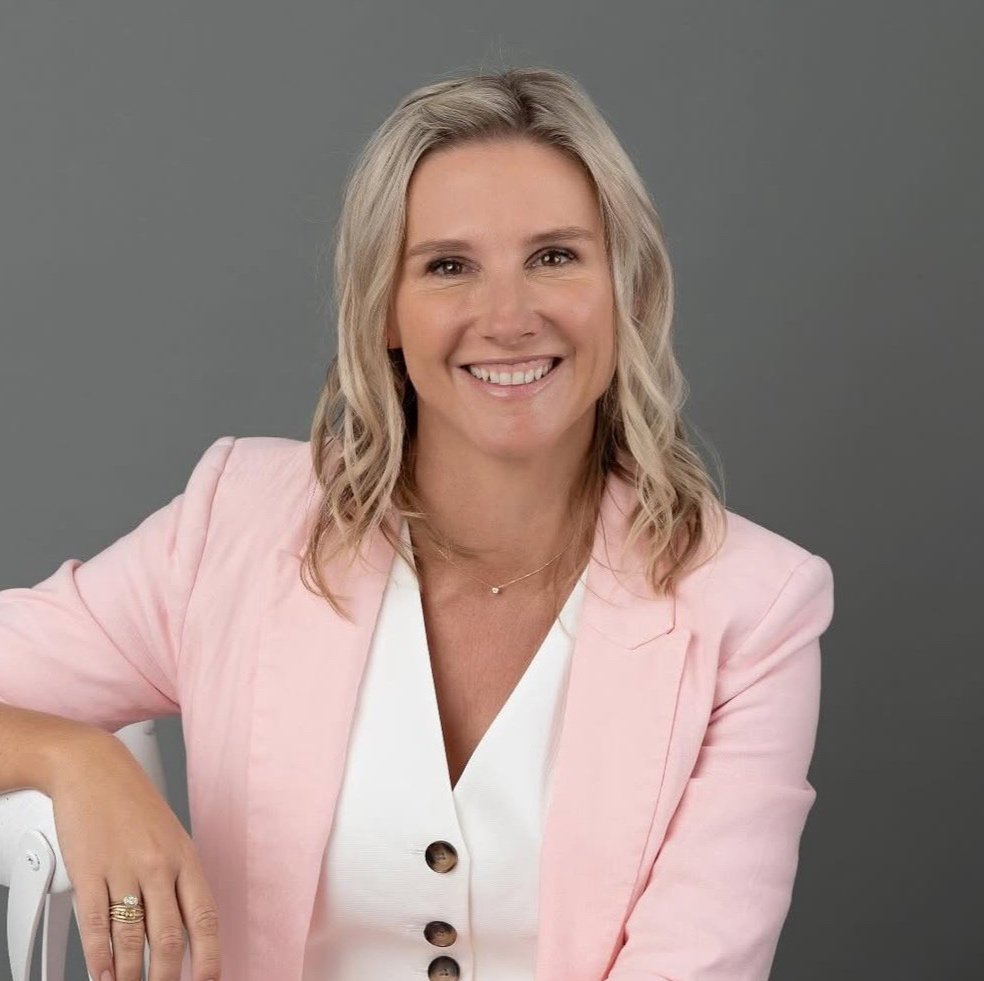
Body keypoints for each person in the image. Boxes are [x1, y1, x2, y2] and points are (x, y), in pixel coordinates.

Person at [0, 66, 835, 981]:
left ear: (627, 288)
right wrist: (71, 755)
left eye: (555, 257)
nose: (508, 317)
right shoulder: (235, 524)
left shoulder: (754, 606)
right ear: (385, 312)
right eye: (447, 266)